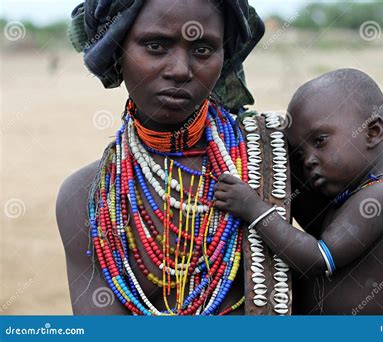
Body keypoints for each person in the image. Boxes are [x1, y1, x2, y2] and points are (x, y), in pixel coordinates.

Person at [56, 0, 269, 315]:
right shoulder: (87, 197)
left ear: (224, 57)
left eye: (203, 49)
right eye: (156, 46)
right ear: (116, 52)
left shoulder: (270, 160)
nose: (180, 70)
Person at [214, 68, 383, 315]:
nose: (309, 161)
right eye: (300, 154)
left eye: (320, 141)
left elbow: (317, 259)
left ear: (373, 132)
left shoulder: (382, 198)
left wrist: (254, 209)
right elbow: (311, 217)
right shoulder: (351, 195)